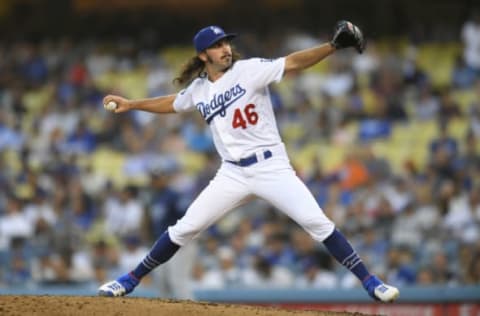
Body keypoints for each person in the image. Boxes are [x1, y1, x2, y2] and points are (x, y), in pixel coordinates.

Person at [98, 21, 400, 302]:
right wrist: (133, 104)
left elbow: (293, 61)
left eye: (226, 43)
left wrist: (332, 47)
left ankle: (371, 281)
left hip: (271, 167)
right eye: (217, 45)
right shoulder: (200, 89)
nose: (225, 48)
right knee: (184, 228)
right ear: (203, 55)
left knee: (316, 223)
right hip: (232, 174)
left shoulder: (250, 70)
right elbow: (173, 103)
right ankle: (130, 279)